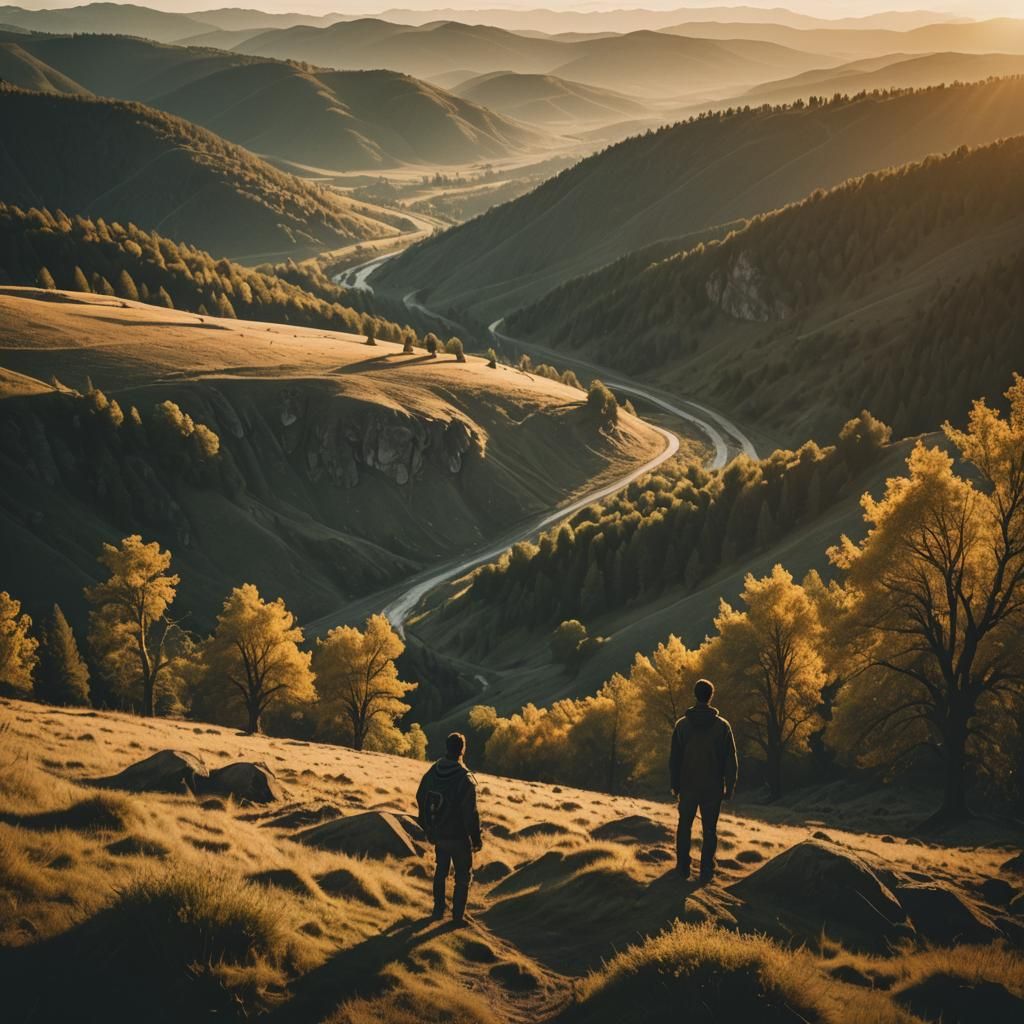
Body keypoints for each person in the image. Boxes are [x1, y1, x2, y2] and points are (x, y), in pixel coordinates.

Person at [669, 678, 738, 883]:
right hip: (712, 787)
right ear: (711, 696)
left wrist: (675, 784)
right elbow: (730, 758)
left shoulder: (682, 725)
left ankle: (683, 867)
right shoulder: (722, 726)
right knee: (709, 829)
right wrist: (730, 785)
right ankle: (707, 869)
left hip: (688, 785)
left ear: (695, 694)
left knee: (684, 826)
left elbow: (675, 758)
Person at [416, 731, 482, 924]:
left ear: (447, 748)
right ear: (462, 749)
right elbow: (471, 813)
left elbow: (420, 796)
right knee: (462, 877)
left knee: (441, 872)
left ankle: (438, 910)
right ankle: (457, 917)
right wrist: (476, 839)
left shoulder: (433, 771)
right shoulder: (464, 779)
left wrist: (427, 826)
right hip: (459, 837)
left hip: (438, 834)